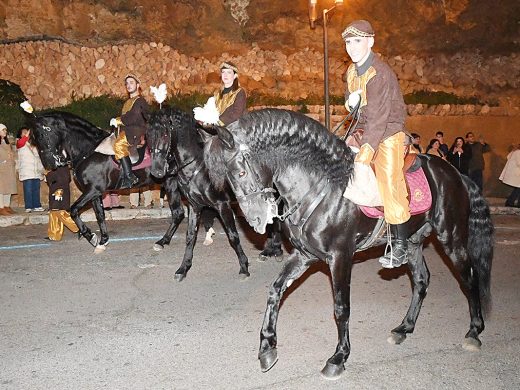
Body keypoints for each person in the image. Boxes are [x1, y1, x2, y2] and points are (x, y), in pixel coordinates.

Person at [343, 20, 410, 269]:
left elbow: (380, 118)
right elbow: (359, 110)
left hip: (388, 131)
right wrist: (351, 104)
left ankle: (400, 244)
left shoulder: (379, 72)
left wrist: (366, 150)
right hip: (363, 128)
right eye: (348, 43)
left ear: (370, 42)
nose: (352, 47)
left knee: (390, 179)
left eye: (357, 41)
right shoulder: (351, 72)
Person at [201, 61, 248, 245]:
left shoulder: (240, 92)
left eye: (229, 72)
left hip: (234, 131)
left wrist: (216, 121)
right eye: (223, 73)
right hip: (216, 132)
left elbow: (235, 113)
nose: (226, 75)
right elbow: (210, 109)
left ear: (235, 75)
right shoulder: (217, 94)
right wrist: (204, 119)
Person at [110, 74, 149, 189]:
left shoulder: (140, 101)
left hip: (136, 132)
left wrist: (118, 120)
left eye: (131, 82)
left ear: (138, 85)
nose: (128, 85)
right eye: (127, 83)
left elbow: (133, 116)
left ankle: (129, 176)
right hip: (127, 131)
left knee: (118, 145)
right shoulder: (128, 102)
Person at [45, 165, 79, 241]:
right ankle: (54, 235)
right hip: (58, 189)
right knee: (54, 212)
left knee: (60, 212)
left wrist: (48, 174)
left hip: (58, 191)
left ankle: (79, 228)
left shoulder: (58, 167)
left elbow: (54, 177)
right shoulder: (63, 166)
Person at [16, 127, 45, 212]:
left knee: (36, 189)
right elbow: (21, 142)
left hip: (36, 170)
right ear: (20, 135)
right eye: (24, 132)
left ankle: (37, 205)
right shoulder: (20, 143)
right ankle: (28, 206)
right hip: (27, 171)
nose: (26, 134)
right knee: (28, 189)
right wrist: (27, 136)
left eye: (27, 132)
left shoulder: (34, 144)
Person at [0, 124, 17, 215]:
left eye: (5, 130)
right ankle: (1, 207)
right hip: (1, 169)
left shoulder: (6, 143)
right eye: (3, 130)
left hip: (9, 168)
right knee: (1, 189)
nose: (5, 132)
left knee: (9, 187)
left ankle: (7, 206)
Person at [499, 144, 520, 208]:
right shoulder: (518, 152)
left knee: (518, 188)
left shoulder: (515, 152)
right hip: (516, 174)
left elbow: (508, 157)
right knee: (518, 188)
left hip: (516, 174)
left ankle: (511, 202)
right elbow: (519, 163)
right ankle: (509, 202)